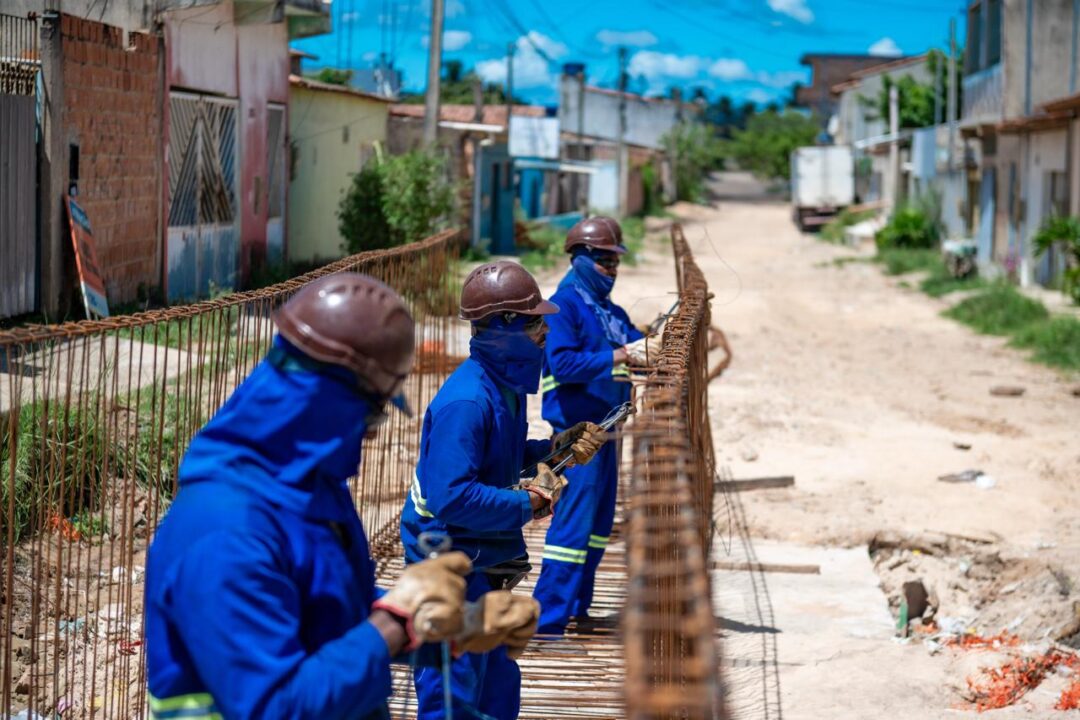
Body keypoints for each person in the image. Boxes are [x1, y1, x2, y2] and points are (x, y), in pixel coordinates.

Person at [145, 272, 539, 720]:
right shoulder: (224, 528)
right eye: (371, 415)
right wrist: (396, 621)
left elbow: (328, 615)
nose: (369, 435)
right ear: (332, 399)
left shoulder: (308, 490)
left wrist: (451, 630)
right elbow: (276, 708)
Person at [400, 261, 605, 720]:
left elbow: (500, 457)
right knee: (452, 693)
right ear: (503, 327)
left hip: (480, 558)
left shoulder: (504, 387)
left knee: (496, 685)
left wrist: (553, 449)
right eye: (535, 322)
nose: (544, 332)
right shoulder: (468, 401)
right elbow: (452, 496)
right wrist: (529, 502)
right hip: (448, 565)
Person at [532, 216, 652, 635]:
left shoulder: (608, 311)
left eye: (616, 262)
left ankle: (577, 609)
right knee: (572, 528)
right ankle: (548, 624)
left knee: (598, 529)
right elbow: (562, 363)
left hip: (607, 435)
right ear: (580, 258)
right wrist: (621, 356)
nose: (612, 269)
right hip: (577, 440)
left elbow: (638, 342)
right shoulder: (566, 306)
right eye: (604, 261)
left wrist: (656, 342)